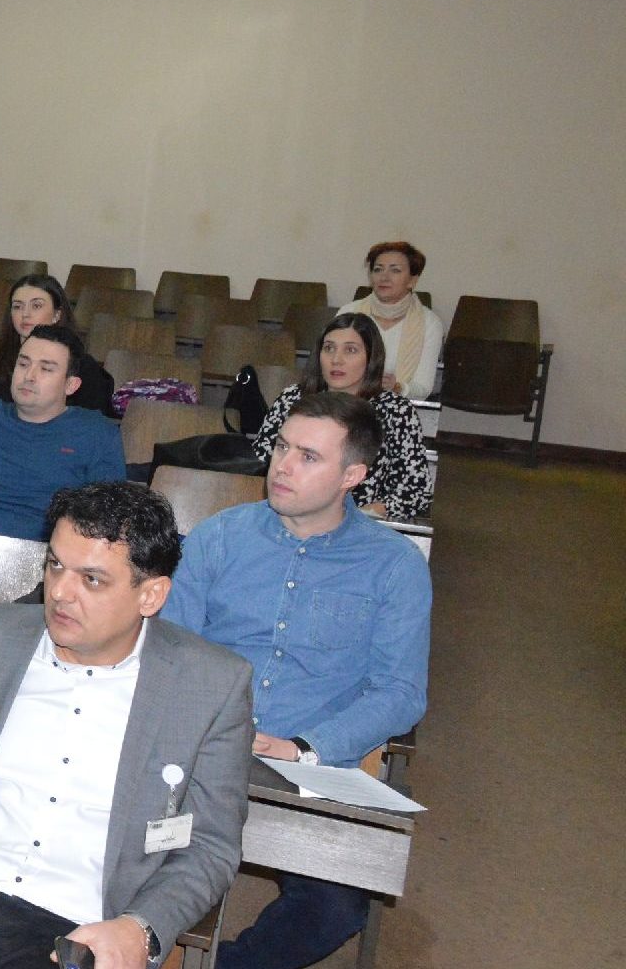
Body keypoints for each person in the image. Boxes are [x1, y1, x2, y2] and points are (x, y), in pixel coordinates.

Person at [0, 482, 252, 969]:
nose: (60, 592)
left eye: (92, 580)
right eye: (56, 565)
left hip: (82, 924)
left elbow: (209, 845)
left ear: (151, 595)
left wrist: (140, 927)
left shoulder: (210, 684)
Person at [162, 390, 432, 969]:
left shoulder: (394, 565)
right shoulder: (218, 537)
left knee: (334, 909)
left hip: (308, 768)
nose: (282, 465)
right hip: (203, 750)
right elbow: (172, 651)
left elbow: (401, 693)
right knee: (111, 850)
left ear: (352, 476)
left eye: (308, 457)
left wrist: (303, 748)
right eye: (282, 447)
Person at [0, 324, 126, 548]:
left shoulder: (97, 433)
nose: (29, 376)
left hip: (49, 560)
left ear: (71, 385)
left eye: (46, 369)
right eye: (23, 364)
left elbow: (107, 517)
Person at [251, 312, 432, 520]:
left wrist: (364, 514)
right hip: (288, 516)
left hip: (361, 522)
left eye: (350, 350)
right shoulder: (292, 398)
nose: (336, 360)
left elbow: (416, 492)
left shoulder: (396, 411)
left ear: (371, 358)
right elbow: (261, 463)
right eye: (329, 348)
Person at [0, 273, 115, 428]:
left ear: (57, 315)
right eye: (17, 306)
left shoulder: (82, 367)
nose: (25, 314)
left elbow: (89, 428)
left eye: (36, 306)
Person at [337, 241, 444, 400]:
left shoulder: (430, 323)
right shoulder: (348, 312)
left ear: (412, 280)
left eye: (395, 270)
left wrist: (397, 387)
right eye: (378, 269)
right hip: (348, 403)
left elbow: (423, 389)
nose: (384, 277)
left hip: (398, 406)